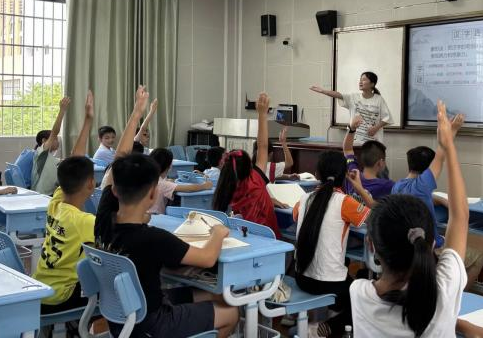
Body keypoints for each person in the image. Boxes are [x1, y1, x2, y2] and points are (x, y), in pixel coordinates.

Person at [350, 100, 473, 337]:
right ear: (430, 243)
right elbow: (460, 216)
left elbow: (460, 217)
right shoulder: (444, 290)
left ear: (371, 244)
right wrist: (448, 142)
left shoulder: (359, 293)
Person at [94, 152, 239, 338]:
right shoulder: (154, 238)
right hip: (154, 324)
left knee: (215, 295)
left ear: (114, 190)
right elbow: (208, 258)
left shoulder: (102, 219)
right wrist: (218, 233)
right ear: (153, 194)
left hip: (122, 318)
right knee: (231, 313)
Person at [293, 150, 370, 337]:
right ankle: (326, 328)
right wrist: (359, 187)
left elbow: (296, 217)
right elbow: (375, 216)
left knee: (344, 273)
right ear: (344, 175)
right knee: (363, 300)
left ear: (317, 174)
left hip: (301, 278)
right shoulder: (345, 202)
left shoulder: (304, 199)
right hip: (329, 283)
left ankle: (321, 322)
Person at [33, 91, 96, 313]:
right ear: (91, 184)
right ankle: (89, 325)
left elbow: (75, 160)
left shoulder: (55, 204)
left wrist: (88, 120)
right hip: (60, 297)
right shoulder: (85, 221)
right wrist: (87, 119)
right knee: (111, 287)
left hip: (41, 287)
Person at [212, 93, 285, 238]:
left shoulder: (229, 189)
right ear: (248, 169)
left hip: (244, 239)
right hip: (270, 242)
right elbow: (263, 146)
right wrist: (262, 114)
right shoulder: (255, 180)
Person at [310, 71, 392, 144]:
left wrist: (376, 128)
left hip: (372, 142)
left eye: (364, 80)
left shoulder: (379, 99)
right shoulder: (353, 97)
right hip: (354, 141)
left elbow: (387, 118)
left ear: (372, 84)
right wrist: (323, 91)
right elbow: (339, 95)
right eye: (360, 79)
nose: (360, 82)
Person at [149, 147, 213, 215]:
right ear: (169, 165)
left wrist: (169, 181)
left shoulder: (150, 178)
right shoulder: (163, 184)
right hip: (156, 216)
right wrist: (204, 186)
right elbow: (189, 188)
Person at [343, 116, 394, 200]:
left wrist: (352, 129)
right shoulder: (387, 186)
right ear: (380, 163)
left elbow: (347, 150)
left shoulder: (352, 175)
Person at [32, 96, 70, 196]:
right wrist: (62, 110)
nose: (57, 142)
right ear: (44, 141)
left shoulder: (48, 157)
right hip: (43, 195)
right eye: (55, 139)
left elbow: (59, 161)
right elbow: (55, 131)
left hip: (50, 193)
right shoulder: (41, 152)